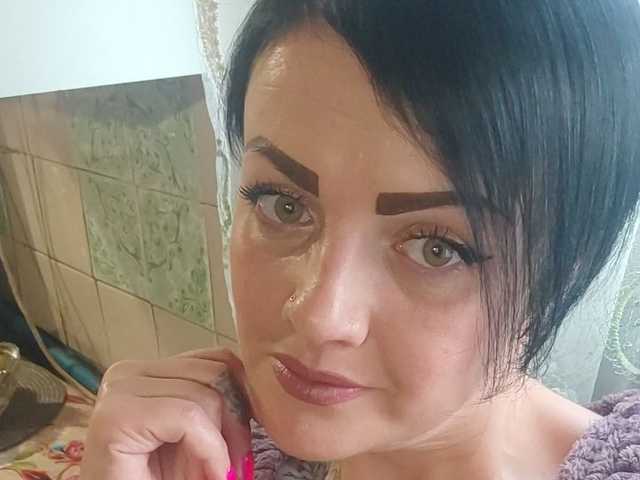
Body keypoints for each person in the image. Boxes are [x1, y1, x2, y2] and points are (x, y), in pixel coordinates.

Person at [80, 1, 640, 479]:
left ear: (567, 269)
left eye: (435, 248)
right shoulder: (208, 458)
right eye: (283, 204)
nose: (319, 315)